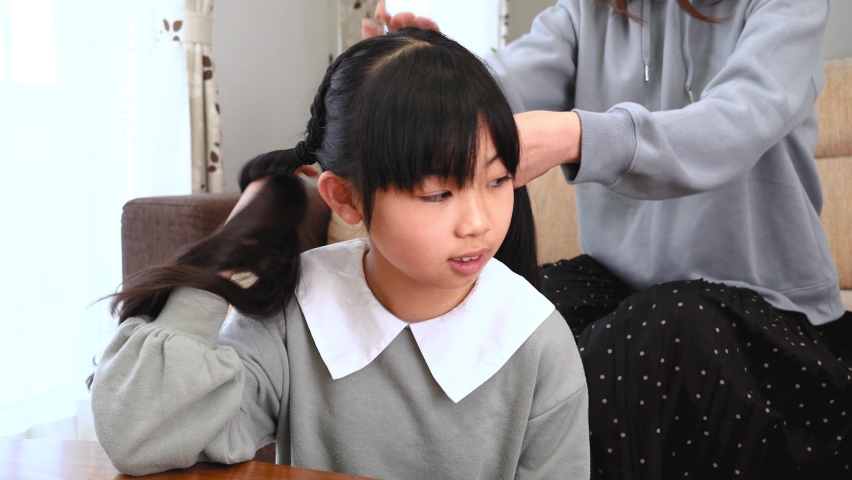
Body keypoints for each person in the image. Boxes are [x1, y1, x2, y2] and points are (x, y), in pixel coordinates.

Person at [365, 0, 852, 477]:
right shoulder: (587, 11)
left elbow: (737, 122)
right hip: (623, 285)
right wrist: (429, 78)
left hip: (770, 313)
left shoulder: (791, 6)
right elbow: (500, 90)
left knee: (652, 338)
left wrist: (577, 136)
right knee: (509, 307)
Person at [89, 28, 590, 479]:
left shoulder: (539, 343)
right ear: (345, 198)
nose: (479, 222)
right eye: (439, 194)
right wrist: (229, 249)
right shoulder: (299, 311)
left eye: (498, 180)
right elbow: (141, 435)